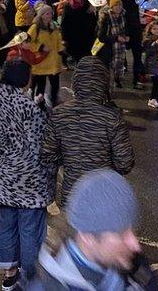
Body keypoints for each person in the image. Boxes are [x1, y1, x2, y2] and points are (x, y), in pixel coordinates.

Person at [0, 59, 54, 289]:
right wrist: (43, 109)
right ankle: (30, 275)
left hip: (1, 176)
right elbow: (40, 143)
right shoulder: (27, 106)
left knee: (7, 223)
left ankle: (9, 272)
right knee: (30, 227)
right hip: (27, 179)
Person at [27, 169, 158, 291]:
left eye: (133, 231)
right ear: (87, 237)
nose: (136, 245)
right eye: (121, 235)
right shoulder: (47, 286)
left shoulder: (130, 261)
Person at [42, 57, 134, 204]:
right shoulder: (112, 117)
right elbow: (125, 163)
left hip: (72, 195)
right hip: (104, 195)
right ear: (103, 83)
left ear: (76, 82)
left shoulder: (59, 114)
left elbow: (48, 157)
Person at [29, 5, 63, 107]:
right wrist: (40, 47)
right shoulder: (35, 28)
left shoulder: (54, 26)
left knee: (55, 86)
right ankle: (40, 105)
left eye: (51, 13)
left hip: (54, 62)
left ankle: (53, 102)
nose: (50, 16)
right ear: (41, 15)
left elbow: (58, 40)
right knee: (41, 87)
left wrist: (61, 49)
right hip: (42, 62)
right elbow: (28, 42)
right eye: (47, 14)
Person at [59, 0, 97, 65]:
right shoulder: (68, 5)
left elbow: (93, 20)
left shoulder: (86, 3)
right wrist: (63, 38)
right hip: (73, 36)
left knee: (84, 59)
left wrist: (92, 13)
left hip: (85, 36)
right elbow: (64, 23)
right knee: (77, 59)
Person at [96, 0, 130, 88]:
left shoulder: (124, 16)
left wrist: (126, 37)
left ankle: (115, 81)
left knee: (117, 69)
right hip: (109, 50)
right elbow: (101, 37)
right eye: (115, 5)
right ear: (111, 7)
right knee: (109, 73)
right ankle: (107, 92)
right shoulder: (106, 18)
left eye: (120, 5)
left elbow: (126, 29)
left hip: (120, 49)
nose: (118, 7)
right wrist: (116, 38)